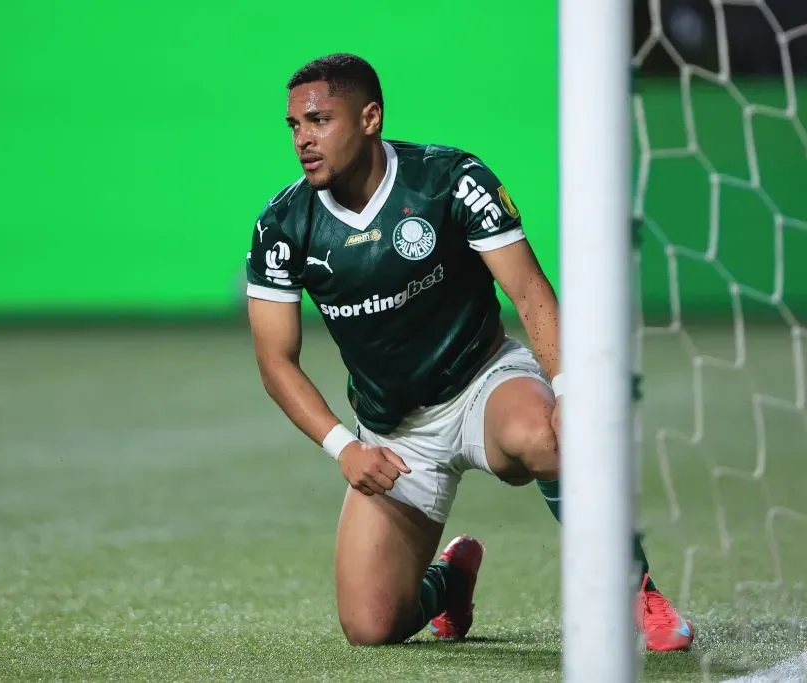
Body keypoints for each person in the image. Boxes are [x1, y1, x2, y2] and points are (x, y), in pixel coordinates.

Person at [245, 52, 694, 652]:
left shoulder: (451, 180)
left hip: (483, 382)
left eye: (320, 120)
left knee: (546, 437)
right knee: (371, 628)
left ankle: (635, 589)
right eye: (295, 125)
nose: (303, 139)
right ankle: (450, 582)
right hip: (395, 433)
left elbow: (528, 290)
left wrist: (568, 390)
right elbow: (276, 361)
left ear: (370, 118)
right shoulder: (282, 225)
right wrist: (344, 447)